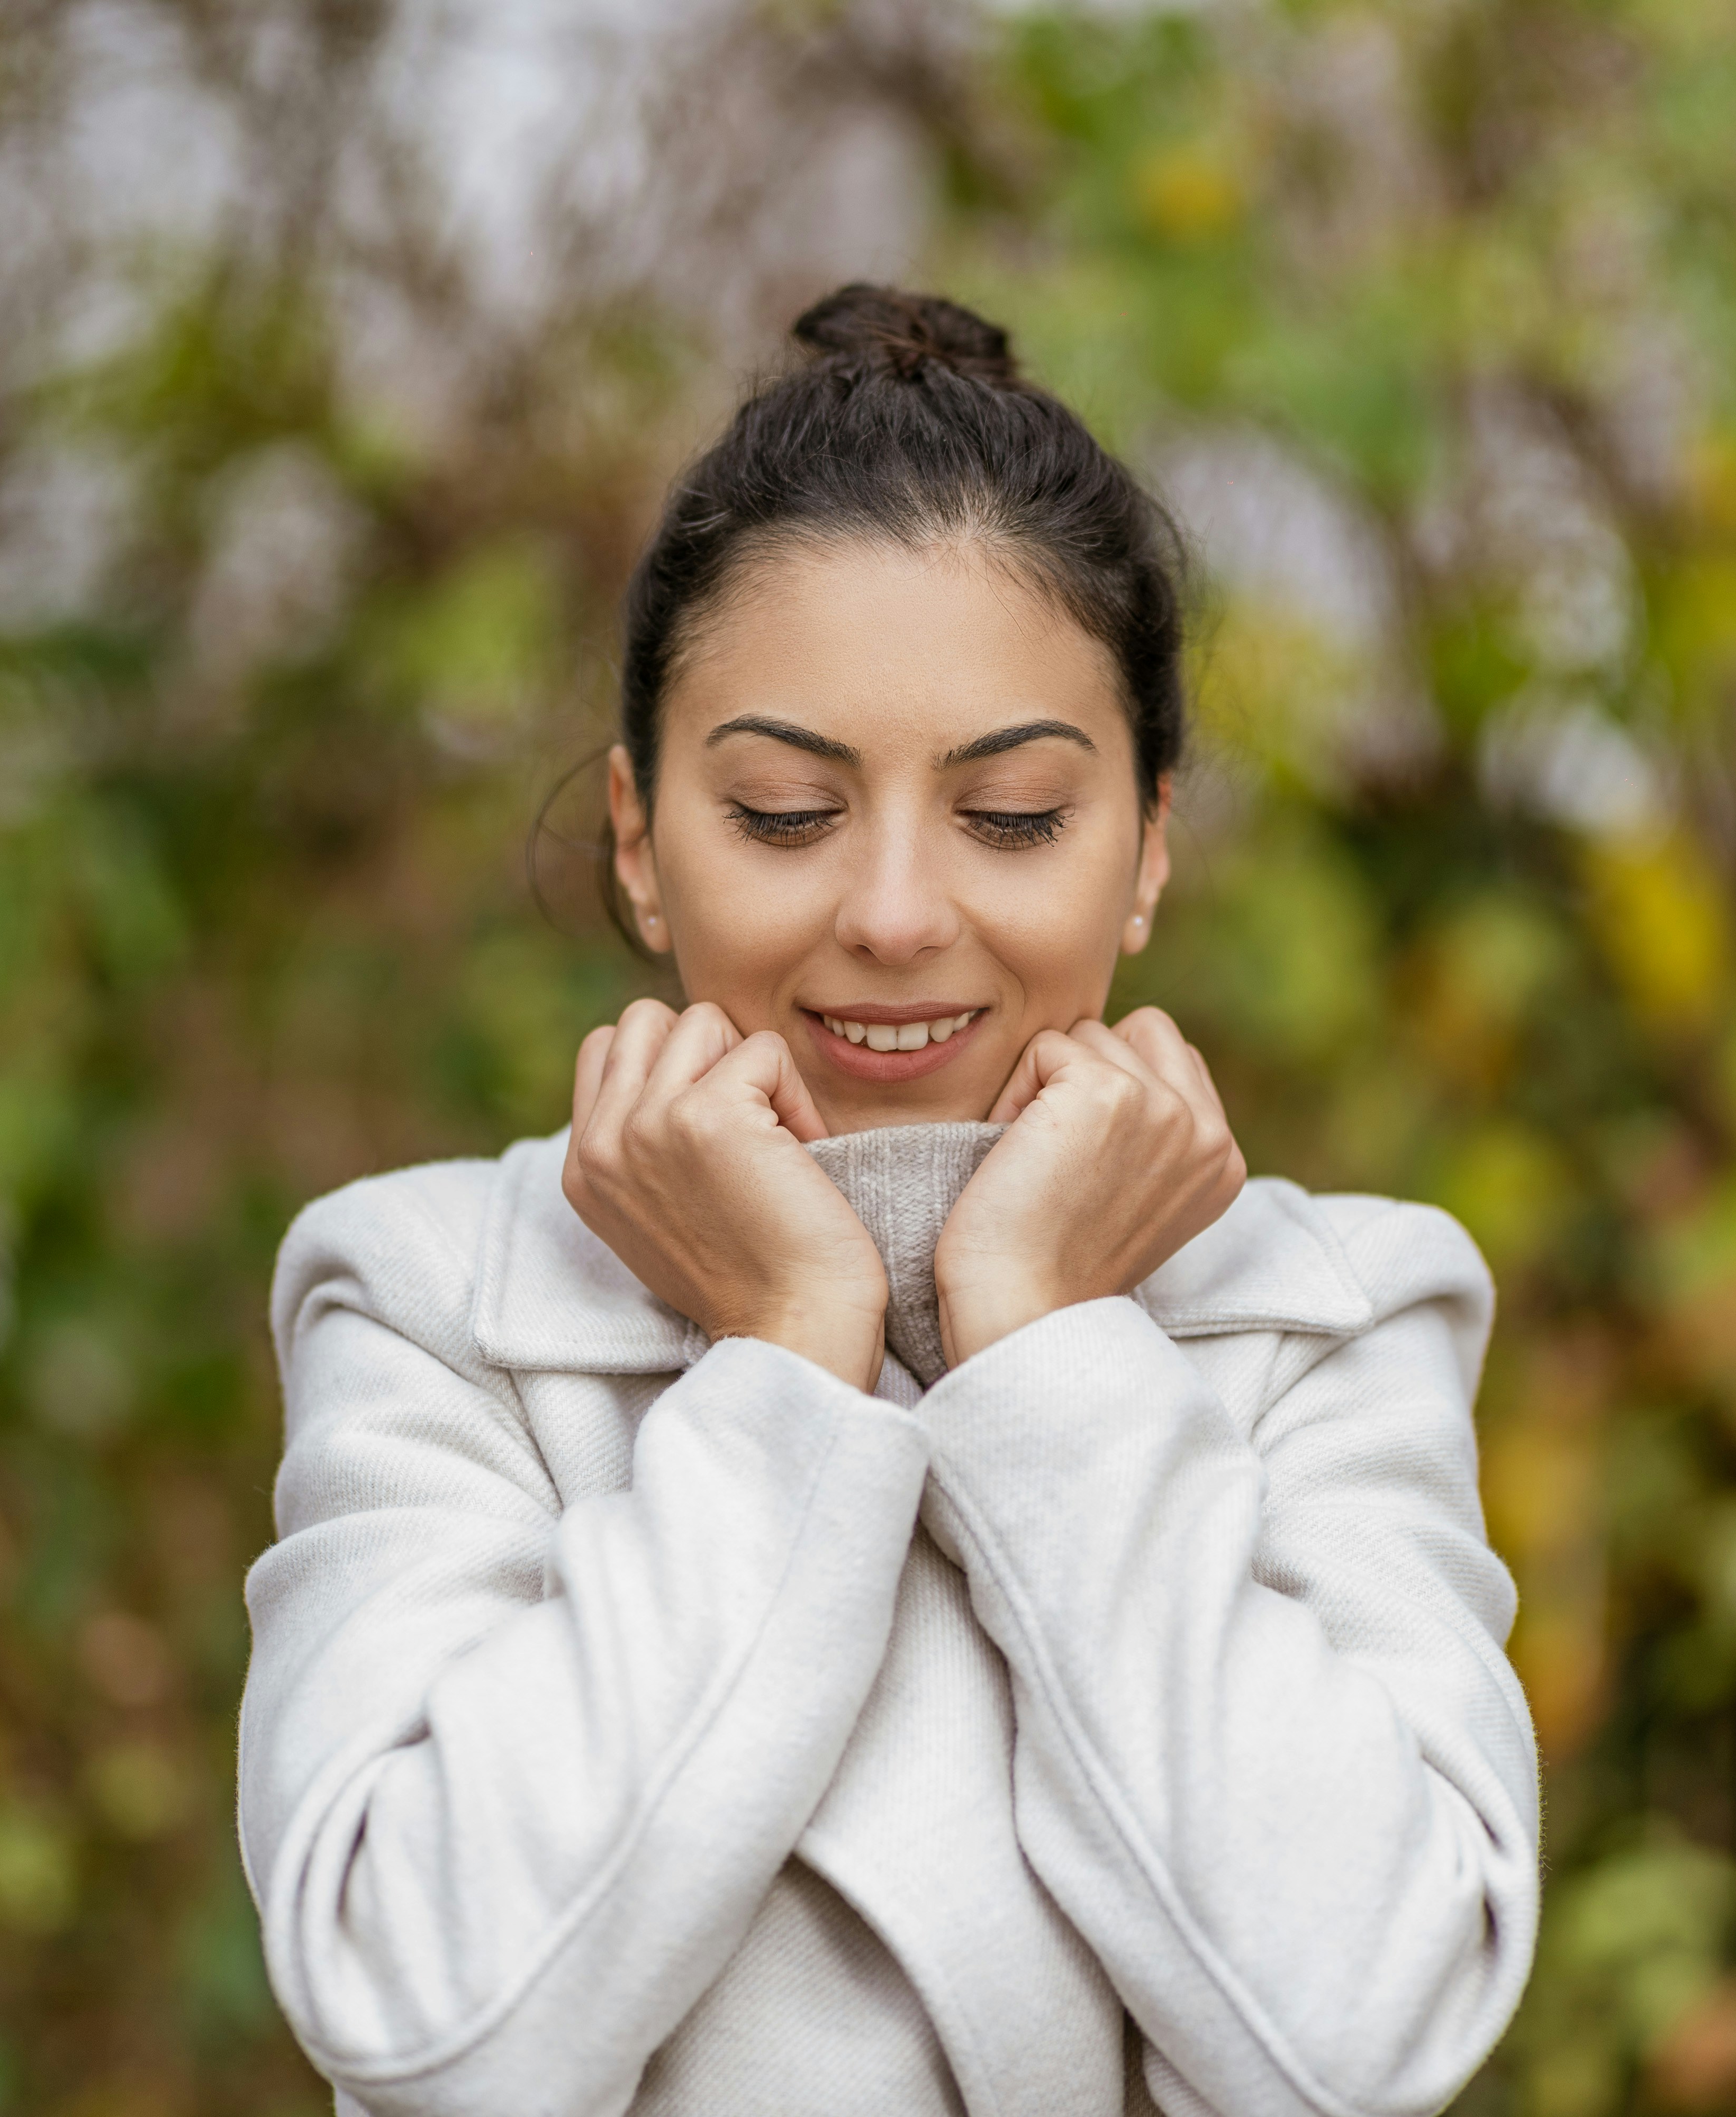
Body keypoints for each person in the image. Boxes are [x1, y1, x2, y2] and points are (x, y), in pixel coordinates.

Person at [237, 284, 1541, 2117]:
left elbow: (1365, 2037)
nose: (900, 913)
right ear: (639, 838)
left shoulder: (1334, 1319)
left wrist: (1049, 1345)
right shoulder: (438, 1302)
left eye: (1012, 814)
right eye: (786, 813)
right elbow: (438, 2027)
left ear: (1149, 846)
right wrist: (783, 1358)